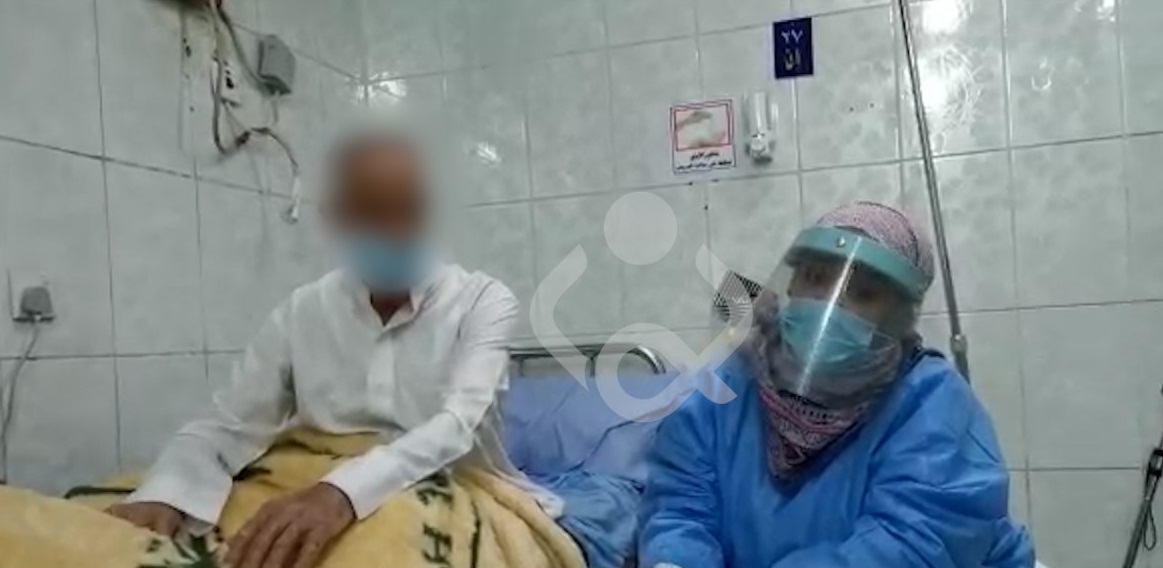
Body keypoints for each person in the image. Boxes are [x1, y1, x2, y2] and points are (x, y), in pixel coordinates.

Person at [107, 124, 560, 568]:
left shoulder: (482, 301)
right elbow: (231, 423)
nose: (396, 230)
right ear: (336, 218)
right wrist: (168, 491)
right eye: (374, 213)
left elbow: (458, 426)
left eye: (408, 210)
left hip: (448, 482)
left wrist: (343, 493)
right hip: (312, 474)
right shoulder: (300, 312)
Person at [638, 202, 1035, 568]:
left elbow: (914, 542)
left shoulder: (929, 401)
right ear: (792, 285)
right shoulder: (727, 387)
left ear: (897, 317)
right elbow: (681, 506)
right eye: (815, 278)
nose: (830, 305)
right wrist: (676, 559)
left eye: (864, 294)